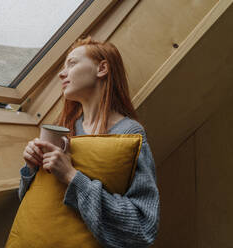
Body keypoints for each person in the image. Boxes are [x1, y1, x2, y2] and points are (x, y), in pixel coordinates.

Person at [19, 36, 160, 247]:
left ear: (102, 68)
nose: (61, 73)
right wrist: (31, 168)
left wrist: (71, 176)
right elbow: (31, 202)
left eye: (72, 63)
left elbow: (142, 226)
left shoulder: (130, 134)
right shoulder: (62, 129)